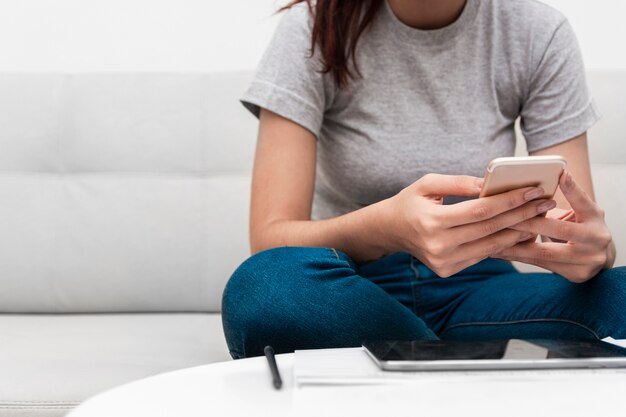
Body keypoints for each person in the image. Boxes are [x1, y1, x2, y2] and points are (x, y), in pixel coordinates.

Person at [221, 0, 625, 359]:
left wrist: (593, 252)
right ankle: (460, 366)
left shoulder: (538, 29)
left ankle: (411, 362)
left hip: (481, 291)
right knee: (264, 287)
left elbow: (574, 230)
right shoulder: (311, 26)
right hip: (352, 289)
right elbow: (270, 237)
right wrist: (388, 230)